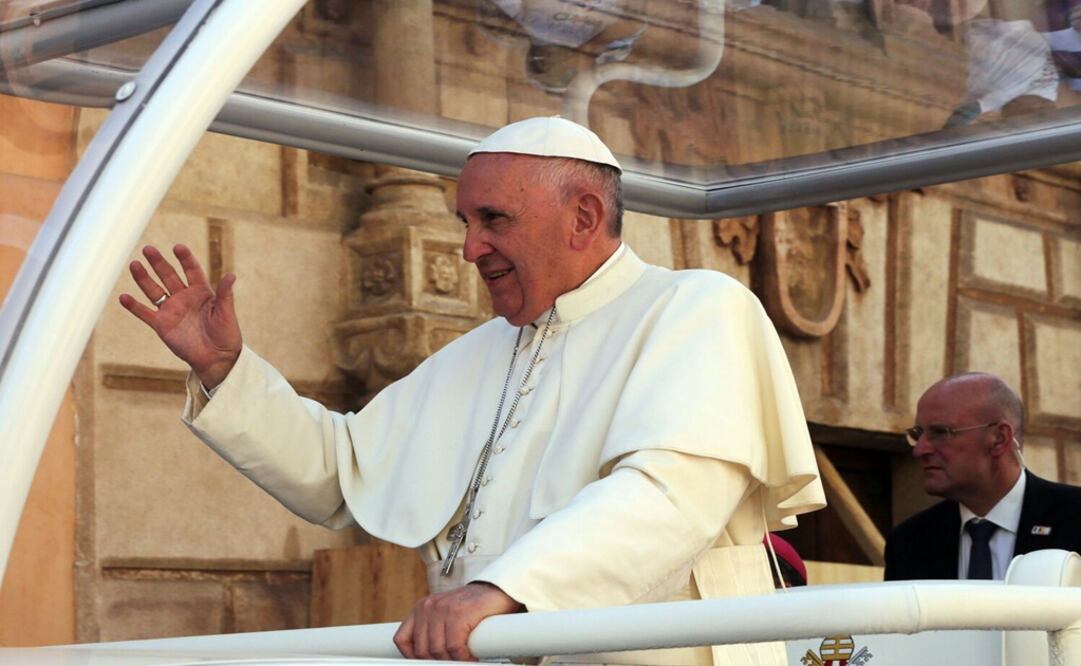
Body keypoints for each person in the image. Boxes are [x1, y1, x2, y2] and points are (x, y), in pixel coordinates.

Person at [120, 116, 824, 664]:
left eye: (493, 219)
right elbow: (341, 470)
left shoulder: (696, 308)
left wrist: (504, 592)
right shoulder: (475, 354)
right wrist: (225, 370)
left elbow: (668, 496)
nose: (468, 248)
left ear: (583, 217)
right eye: (466, 223)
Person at [884, 372, 1081, 581]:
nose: (920, 450)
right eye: (917, 434)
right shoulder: (909, 542)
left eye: (940, 432)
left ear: (999, 438)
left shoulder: (1074, 517)